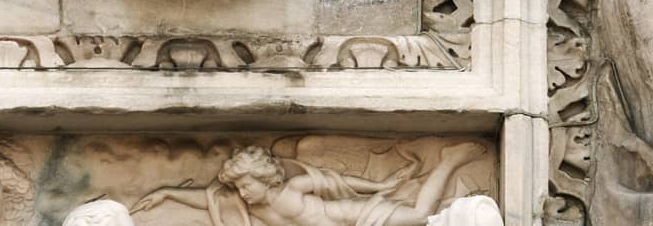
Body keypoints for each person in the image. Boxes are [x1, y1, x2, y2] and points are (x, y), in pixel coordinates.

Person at [133, 141, 489, 226]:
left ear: (264, 179)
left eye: (246, 186)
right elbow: (205, 197)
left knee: (419, 215)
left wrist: (378, 188)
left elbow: (338, 181)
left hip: (353, 215)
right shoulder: (250, 204)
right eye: (239, 188)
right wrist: (165, 192)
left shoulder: (294, 188)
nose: (241, 193)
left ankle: (449, 160)